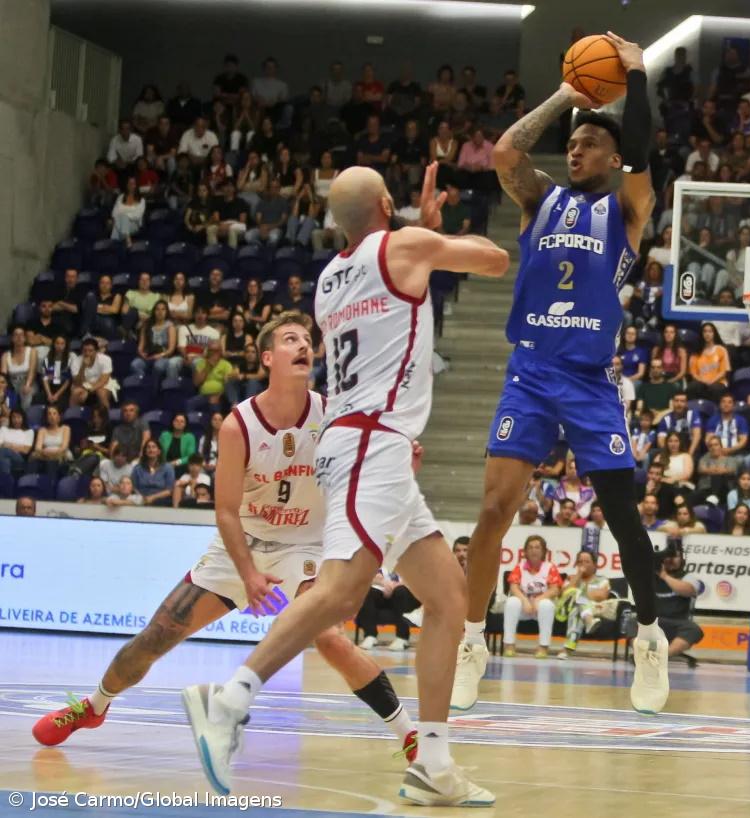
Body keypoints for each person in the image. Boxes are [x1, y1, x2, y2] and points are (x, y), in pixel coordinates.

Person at [181, 163, 508, 807]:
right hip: (371, 442)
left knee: (448, 600)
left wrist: (420, 236)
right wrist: (428, 234)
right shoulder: (405, 245)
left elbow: (389, 276)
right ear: (389, 204)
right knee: (338, 593)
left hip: (363, 441)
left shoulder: (331, 278)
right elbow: (496, 259)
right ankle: (228, 700)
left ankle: (433, 763)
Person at [33, 312, 419, 763]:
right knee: (158, 634)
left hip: (306, 547)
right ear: (268, 357)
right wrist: (249, 574)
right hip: (245, 543)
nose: (303, 346)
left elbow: (366, 470)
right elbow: (225, 512)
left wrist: (401, 464)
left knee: (330, 638)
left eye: (308, 340)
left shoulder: (332, 414)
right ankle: (93, 707)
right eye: (291, 338)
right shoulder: (239, 425)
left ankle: (411, 737)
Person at [454, 33, 670, 717]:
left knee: (620, 516)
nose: (575, 150)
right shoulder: (538, 201)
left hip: (586, 379)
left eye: (588, 144)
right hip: (530, 372)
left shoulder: (628, 208)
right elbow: (506, 154)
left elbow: (640, 149)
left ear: (611, 157)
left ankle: (649, 636)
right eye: (573, 144)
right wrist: (565, 97)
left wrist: (634, 77)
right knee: (492, 510)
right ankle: (469, 640)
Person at [501, 535, 562, 658]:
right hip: (525, 607)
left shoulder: (550, 567)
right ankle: (509, 645)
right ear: (526, 551)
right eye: (530, 547)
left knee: (547, 605)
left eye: (537, 547)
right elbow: (513, 587)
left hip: (541, 607)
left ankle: (543, 647)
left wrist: (539, 599)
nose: (534, 550)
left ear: (543, 551)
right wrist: (524, 601)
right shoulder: (520, 566)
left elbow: (555, 589)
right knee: (512, 602)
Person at [653, 541, 704, 662]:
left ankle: (661, 657)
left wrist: (664, 576)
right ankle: (645, 654)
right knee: (633, 622)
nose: (671, 560)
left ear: (682, 559)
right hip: (654, 622)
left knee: (694, 630)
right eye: (668, 556)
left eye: (675, 557)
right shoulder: (650, 576)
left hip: (678, 623)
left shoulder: (688, 577)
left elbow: (688, 590)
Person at [358, 569, 420, 651]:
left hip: (407, 594)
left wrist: (396, 585)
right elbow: (368, 577)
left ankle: (402, 637)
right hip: (384, 591)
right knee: (368, 592)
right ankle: (370, 635)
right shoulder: (381, 561)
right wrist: (384, 583)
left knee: (400, 591)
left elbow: (419, 579)